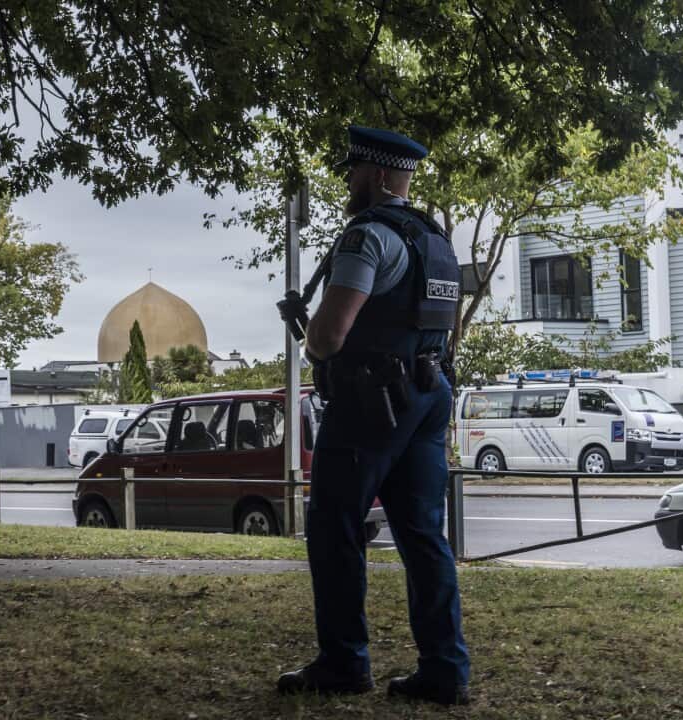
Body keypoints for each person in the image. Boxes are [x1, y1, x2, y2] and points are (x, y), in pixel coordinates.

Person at [277, 126, 470, 705]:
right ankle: (445, 668)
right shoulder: (435, 239)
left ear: (379, 176)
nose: (349, 182)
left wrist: (309, 335)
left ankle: (343, 661)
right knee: (421, 533)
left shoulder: (367, 238)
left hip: (372, 402)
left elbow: (329, 337)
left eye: (355, 172)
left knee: (334, 525)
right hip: (428, 393)